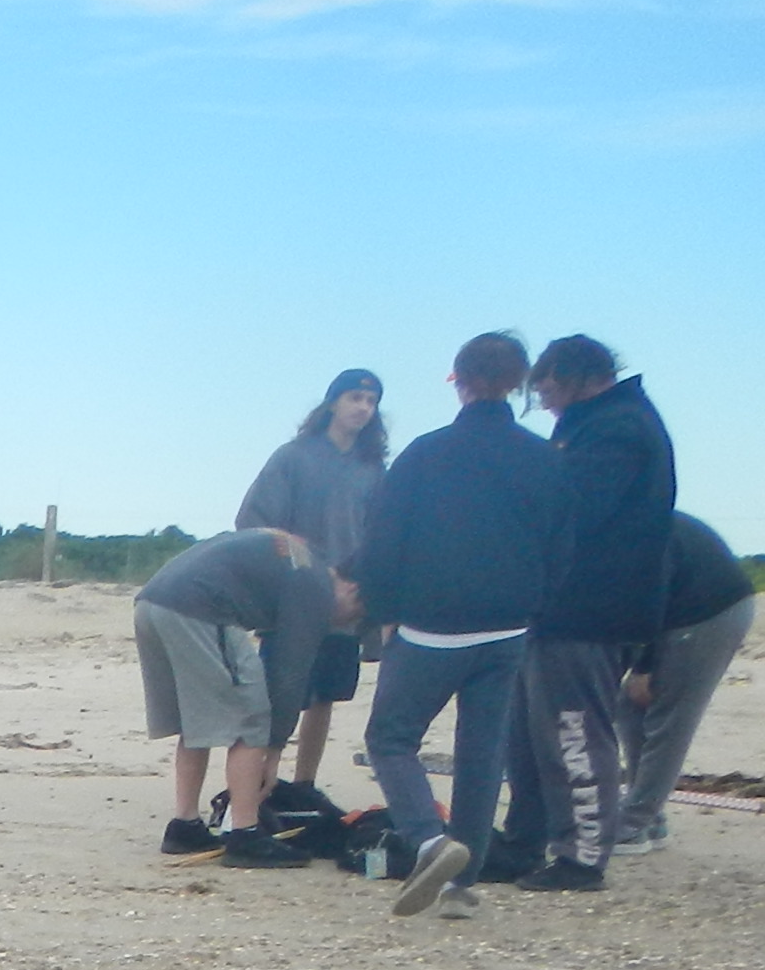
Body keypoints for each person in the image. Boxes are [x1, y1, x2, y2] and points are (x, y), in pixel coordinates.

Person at [351, 329, 562, 915]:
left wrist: (386, 612)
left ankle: (429, 838)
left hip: (431, 624)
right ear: (519, 384)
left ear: (458, 380)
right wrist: (535, 605)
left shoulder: (426, 452)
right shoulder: (542, 457)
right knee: (481, 751)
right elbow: (561, 544)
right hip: (510, 625)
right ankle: (459, 888)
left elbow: (383, 540)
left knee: (391, 738)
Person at [498, 334, 678, 891]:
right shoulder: (599, 423)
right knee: (528, 735)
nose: (543, 400)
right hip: (559, 609)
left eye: (547, 387)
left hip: (590, 609)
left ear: (577, 376)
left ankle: (581, 857)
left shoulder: (617, 428)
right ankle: (524, 842)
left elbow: (574, 513)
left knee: (572, 732)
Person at [134, 525, 359, 866]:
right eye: (355, 616)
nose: (343, 624)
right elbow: (289, 673)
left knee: (197, 721)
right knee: (251, 716)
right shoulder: (316, 589)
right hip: (201, 606)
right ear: (352, 589)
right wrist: (273, 751)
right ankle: (245, 833)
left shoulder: (304, 556)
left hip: (152, 601)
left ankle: (185, 825)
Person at [237, 368, 388, 792]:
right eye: (354, 397)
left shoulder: (372, 468)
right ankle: (259, 786)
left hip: (346, 602)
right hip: (293, 598)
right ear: (333, 403)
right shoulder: (293, 456)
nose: (362, 407)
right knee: (281, 695)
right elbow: (254, 522)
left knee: (326, 695)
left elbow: (382, 532)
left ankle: (304, 786)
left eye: (370, 401)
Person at [617, 510, 752, 854]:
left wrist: (644, 667)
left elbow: (649, 592)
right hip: (681, 607)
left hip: (710, 611)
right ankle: (649, 815)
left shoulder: (631, 526)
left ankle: (634, 823)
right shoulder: (627, 518)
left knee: (669, 715)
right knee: (630, 706)